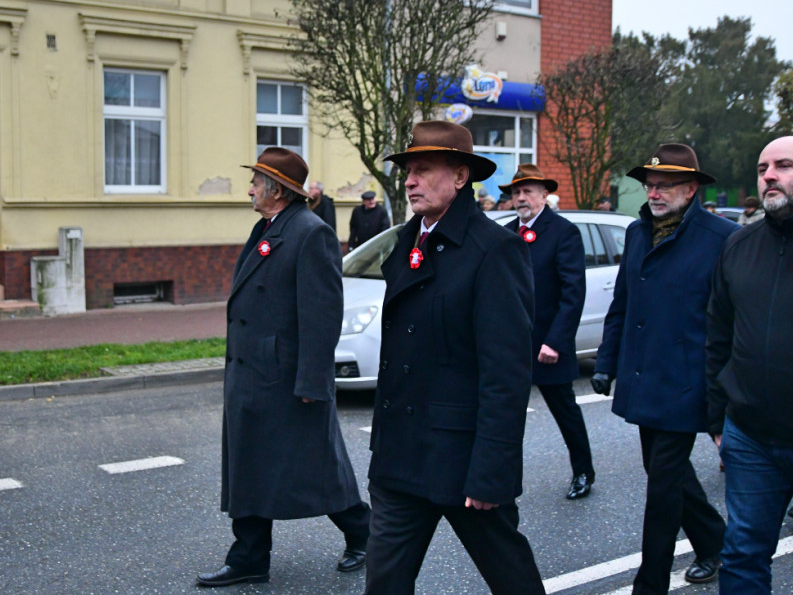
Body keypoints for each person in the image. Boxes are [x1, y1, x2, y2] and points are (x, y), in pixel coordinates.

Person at [364, 121, 545, 594]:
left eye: (423, 169)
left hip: (460, 459)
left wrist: (492, 470)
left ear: (461, 176)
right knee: (383, 582)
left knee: (511, 577)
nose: (409, 180)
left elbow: (506, 372)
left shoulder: (494, 250)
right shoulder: (407, 240)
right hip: (400, 454)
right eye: (408, 170)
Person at [197, 147, 370, 587]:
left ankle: (365, 533)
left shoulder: (310, 232)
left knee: (316, 469)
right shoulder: (268, 227)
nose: (250, 187)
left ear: (275, 189)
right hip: (252, 372)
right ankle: (250, 555)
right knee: (249, 465)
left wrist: (314, 380)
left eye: (256, 180)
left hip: (285, 378)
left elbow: (323, 313)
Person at [592, 143, 737, 594]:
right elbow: (622, 303)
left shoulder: (722, 238)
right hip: (643, 375)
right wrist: (606, 360)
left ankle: (649, 583)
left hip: (687, 380)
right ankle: (715, 541)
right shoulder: (637, 233)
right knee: (663, 473)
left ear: (691, 189)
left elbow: (731, 321)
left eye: (665, 185)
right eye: (650, 185)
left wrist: (726, 390)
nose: (653, 193)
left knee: (661, 492)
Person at [705, 135, 793, 593]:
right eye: (762, 168)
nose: (769, 176)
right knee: (741, 556)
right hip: (751, 438)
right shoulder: (741, 245)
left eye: (783, 165)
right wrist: (718, 418)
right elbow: (719, 334)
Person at [501, 165, 594, 500]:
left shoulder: (562, 231)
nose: (521, 198)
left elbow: (573, 293)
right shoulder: (508, 233)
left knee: (564, 410)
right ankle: (503, 478)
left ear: (544, 195)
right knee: (506, 413)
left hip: (547, 343)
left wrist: (555, 341)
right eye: (516, 192)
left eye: (528, 191)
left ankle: (583, 470)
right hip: (514, 344)